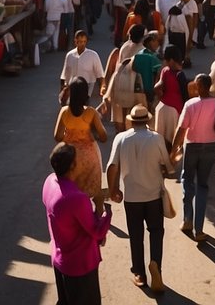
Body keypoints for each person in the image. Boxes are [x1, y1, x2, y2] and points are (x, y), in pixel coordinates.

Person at [106, 105, 172, 292]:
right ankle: (156, 266)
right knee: (156, 232)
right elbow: (167, 166)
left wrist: (114, 189)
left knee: (136, 236)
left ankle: (139, 274)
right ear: (147, 120)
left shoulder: (121, 138)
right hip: (153, 197)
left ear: (131, 121)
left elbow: (112, 166)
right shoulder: (157, 138)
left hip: (132, 197)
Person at [44, 143, 111, 305]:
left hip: (60, 258)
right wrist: (104, 210)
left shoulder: (50, 181)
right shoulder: (76, 198)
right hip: (80, 265)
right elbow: (97, 231)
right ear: (73, 165)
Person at [171, 73, 215, 242]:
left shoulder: (190, 104)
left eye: (195, 84)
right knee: (202, 185)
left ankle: (187, 220)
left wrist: (174, 149)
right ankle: (199, 229)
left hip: (192, 146)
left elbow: (181, 128)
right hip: (211, 146)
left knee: (187, 180)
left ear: (200, 86)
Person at [55, 77, 108, 215]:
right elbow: (103, 137)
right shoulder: (91, 112)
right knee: (95, 189)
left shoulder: (64, 112)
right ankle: (98, 217)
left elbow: (57, 137)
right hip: (89, 156)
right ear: (86, 94)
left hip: (70, 157)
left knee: (72, 189)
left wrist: (70, 134)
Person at [60, 31, 105, 101]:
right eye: (80, 41)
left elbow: (100, 74)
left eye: (84, 41)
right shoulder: (70, 55)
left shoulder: (93, 55)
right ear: (75, 41)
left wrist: (102, 86)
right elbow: (65, 74)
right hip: (73, 89)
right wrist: (63, 90)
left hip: (88, 89)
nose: (82, 44)